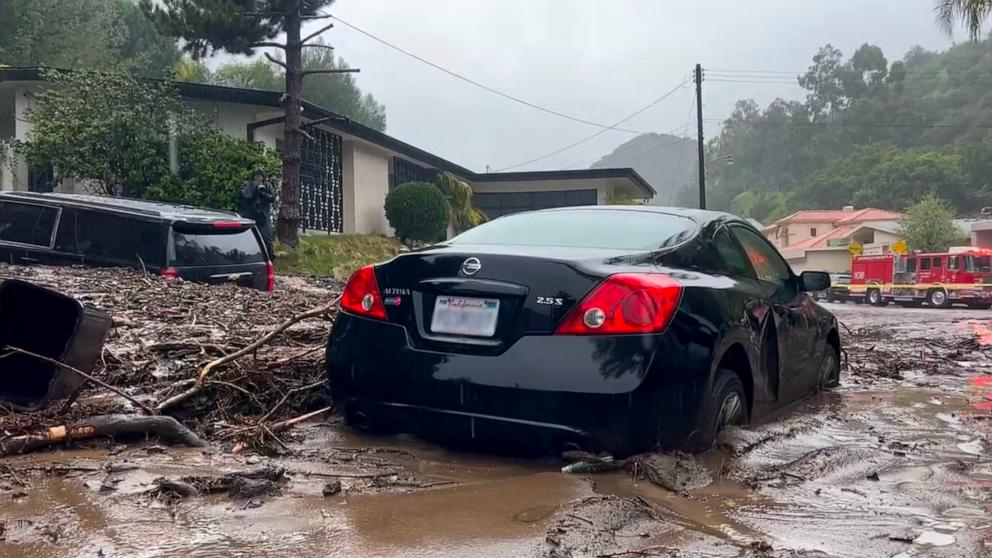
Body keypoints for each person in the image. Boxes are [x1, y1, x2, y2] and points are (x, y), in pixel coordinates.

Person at [237, 168, 276, 258]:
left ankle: (269, 259)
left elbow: (272, 198)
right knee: (247, 239)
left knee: (267, 240)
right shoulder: (247, 184)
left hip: (263, 218)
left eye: (260, 175)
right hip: (250, 216)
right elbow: (241, 195)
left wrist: (263, 193)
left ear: (263, 177)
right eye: (256, 175)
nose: (258, 177)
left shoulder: (267, 186)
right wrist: (252, 187)